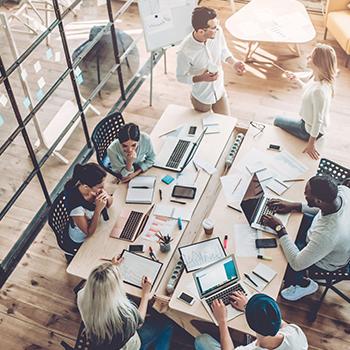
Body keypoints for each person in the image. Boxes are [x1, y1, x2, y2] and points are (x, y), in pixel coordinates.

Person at [262, 175, 350, 301]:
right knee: (292, 227)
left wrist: (279, 228)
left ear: (318, 201)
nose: (304, 194)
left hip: (326, 261)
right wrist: (294, 206)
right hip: (321, 235)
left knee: (281, 262)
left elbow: (297, 264)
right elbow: (322, 210)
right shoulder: (343, 192)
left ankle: (304, 283)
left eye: (306, 195)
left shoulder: (328, 234)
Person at [77, 257, 174, 350]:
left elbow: (101, 285)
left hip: (99, 340)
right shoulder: (124, 312)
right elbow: (139, 321)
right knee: (167, 323)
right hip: (128, 346)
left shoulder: (81, 295)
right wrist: (145, 294)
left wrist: (112, 267)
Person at [176, 6, 246, 116]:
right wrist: (201, 78)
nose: (217, 29)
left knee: (226, 122)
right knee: (205, 129)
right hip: (201, 98)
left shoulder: (217, 32)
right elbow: (180, 77)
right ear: (200, 31)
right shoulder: (184, 51)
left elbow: (223, 51)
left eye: (216, 25)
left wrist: (234, 63)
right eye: (213, 27)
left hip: (220, 92)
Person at [274, 43, 338, 160]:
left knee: (277, 120)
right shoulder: (319, 77)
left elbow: (317, 121)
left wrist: (311, 144)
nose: (307, 58)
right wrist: (296, 79)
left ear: (318, 63)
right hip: (309, 123)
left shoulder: (319, 91)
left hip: (307, 130)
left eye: (310, 57)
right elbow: (308, 89)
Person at [195, 292, 308, 350]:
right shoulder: (295, 333)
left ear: (251, 324)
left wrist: (222, 321)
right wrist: (247, 306)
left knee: (201, 340)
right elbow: (274, 319)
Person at [64, 162, 113, 244]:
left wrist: (107, 196)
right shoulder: (76, 207)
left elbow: (109, 204)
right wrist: (98, 210)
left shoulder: (93, 190)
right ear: (86, 186)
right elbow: (88, 232)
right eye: (100, 186)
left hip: (97, 224)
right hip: (82, 238)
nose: (103, 188)